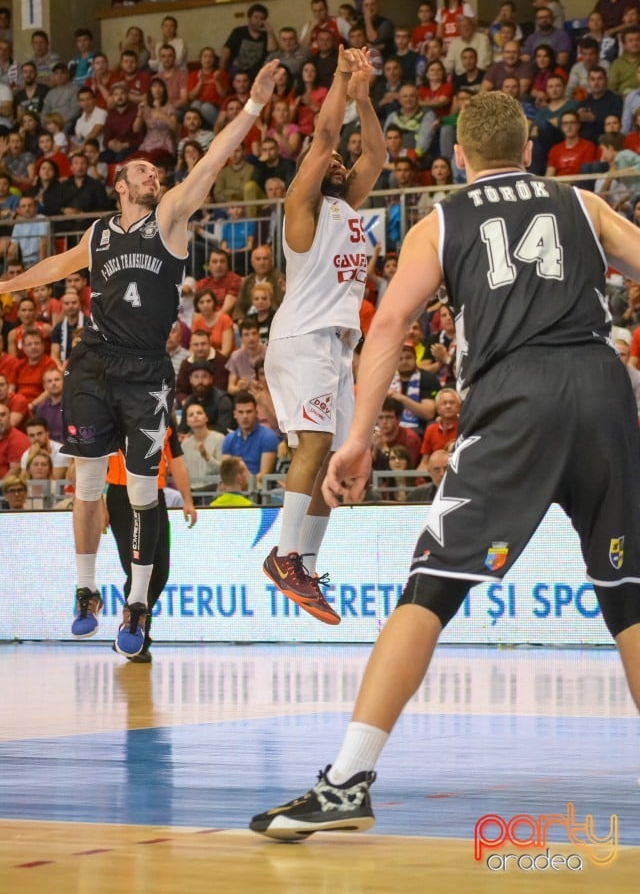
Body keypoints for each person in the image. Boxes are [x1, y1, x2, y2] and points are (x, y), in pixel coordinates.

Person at [250, 90, 640, 840]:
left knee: (428, 591)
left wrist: (359, 436)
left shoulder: (443, 219)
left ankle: (346, 781)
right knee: (628, 594)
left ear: (459, 157)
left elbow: (391, 323)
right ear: (528, 150)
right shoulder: (579, 204)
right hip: (601, 387)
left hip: (515, 397)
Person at [0, 59, 279, 658]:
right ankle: (83, 592)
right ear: (120, 185)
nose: (154, 174)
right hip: (95, 361)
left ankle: (137, 603)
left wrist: (252, 108)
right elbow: (56, 267)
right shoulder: (99, 235)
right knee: (89, 483)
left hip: (147, 369)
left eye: (156, 170)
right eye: (143, 171)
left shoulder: (170, 220)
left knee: (147, 495)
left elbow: (209, 164)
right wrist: (10, 285)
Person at [262, 45, 385, 626]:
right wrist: (339, 79)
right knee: (312, 446)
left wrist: (365, 99)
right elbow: (327, 136)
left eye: (341, 166)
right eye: (330, 164)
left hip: (335, 345)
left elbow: (377, 156)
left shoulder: (345, 208)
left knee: (335, 461)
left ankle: (303, 561)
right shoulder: (302, 209)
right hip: (303, 336)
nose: (339, 166)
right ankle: (283, 556)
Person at [105, 419, 196, 662]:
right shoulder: (115, 409)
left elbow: (175, 457)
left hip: (154, 493)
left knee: (160, 570)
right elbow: (94, 459)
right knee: (136, 569)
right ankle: (137, 635)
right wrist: (98, 501)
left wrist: (187, 498)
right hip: (119, 492)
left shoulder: (164, 415)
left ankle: (133, 626)